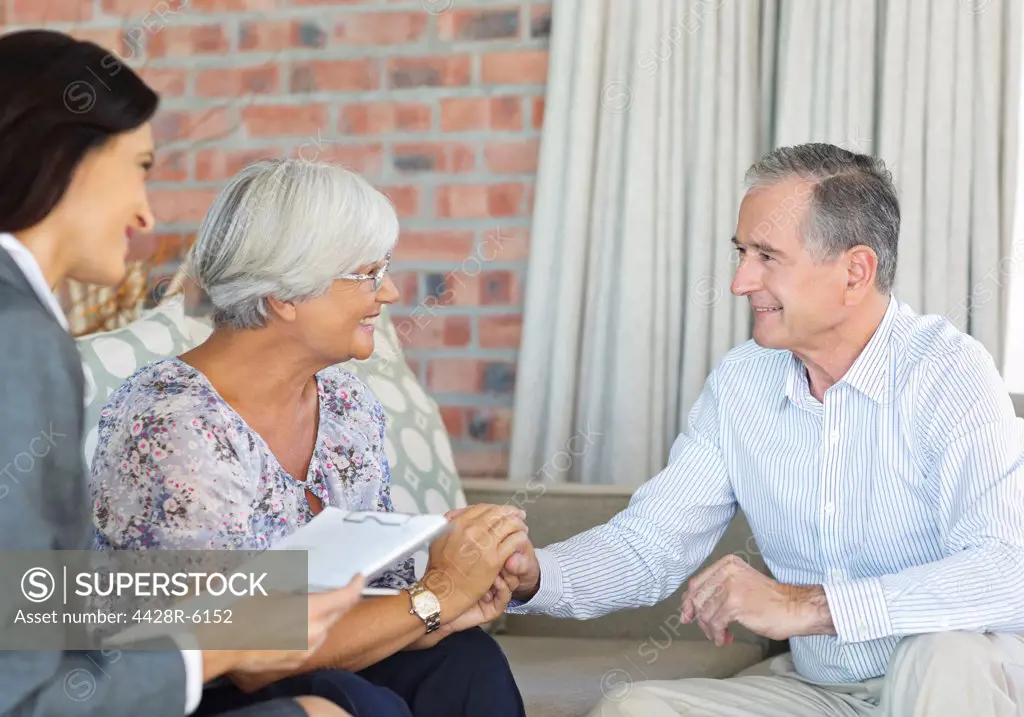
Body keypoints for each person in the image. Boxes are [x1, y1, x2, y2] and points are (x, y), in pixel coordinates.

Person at [498, 143, 1024, 716]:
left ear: (855, 271)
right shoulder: (741, 383)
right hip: (824, 693)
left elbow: (1007, 568)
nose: (741, 282)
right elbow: (651, 544)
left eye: (767, 257)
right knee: (638, 709)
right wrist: (533, 574)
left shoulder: (948, 371)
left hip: (956, 681)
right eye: (741, 253)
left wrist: (812, 607)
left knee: (940, 657)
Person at [0, 29, 369, 717]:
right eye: (140, 165)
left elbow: (26, 593)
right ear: (67, 157)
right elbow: (20, 686)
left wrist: (242, 611)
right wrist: (214, 648)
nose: (148, 211)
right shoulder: (17, 337)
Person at [89, 157, 529, 717]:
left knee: (467, 661)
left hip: (305, 659)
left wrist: (454, 604)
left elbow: (372, 602)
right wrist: (437, 594)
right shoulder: (172, 422)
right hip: (187, 686)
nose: (389, 291)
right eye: (368, 273)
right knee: (351, 700)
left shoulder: (345, 402)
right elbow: (241, 653)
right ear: (285, 295)